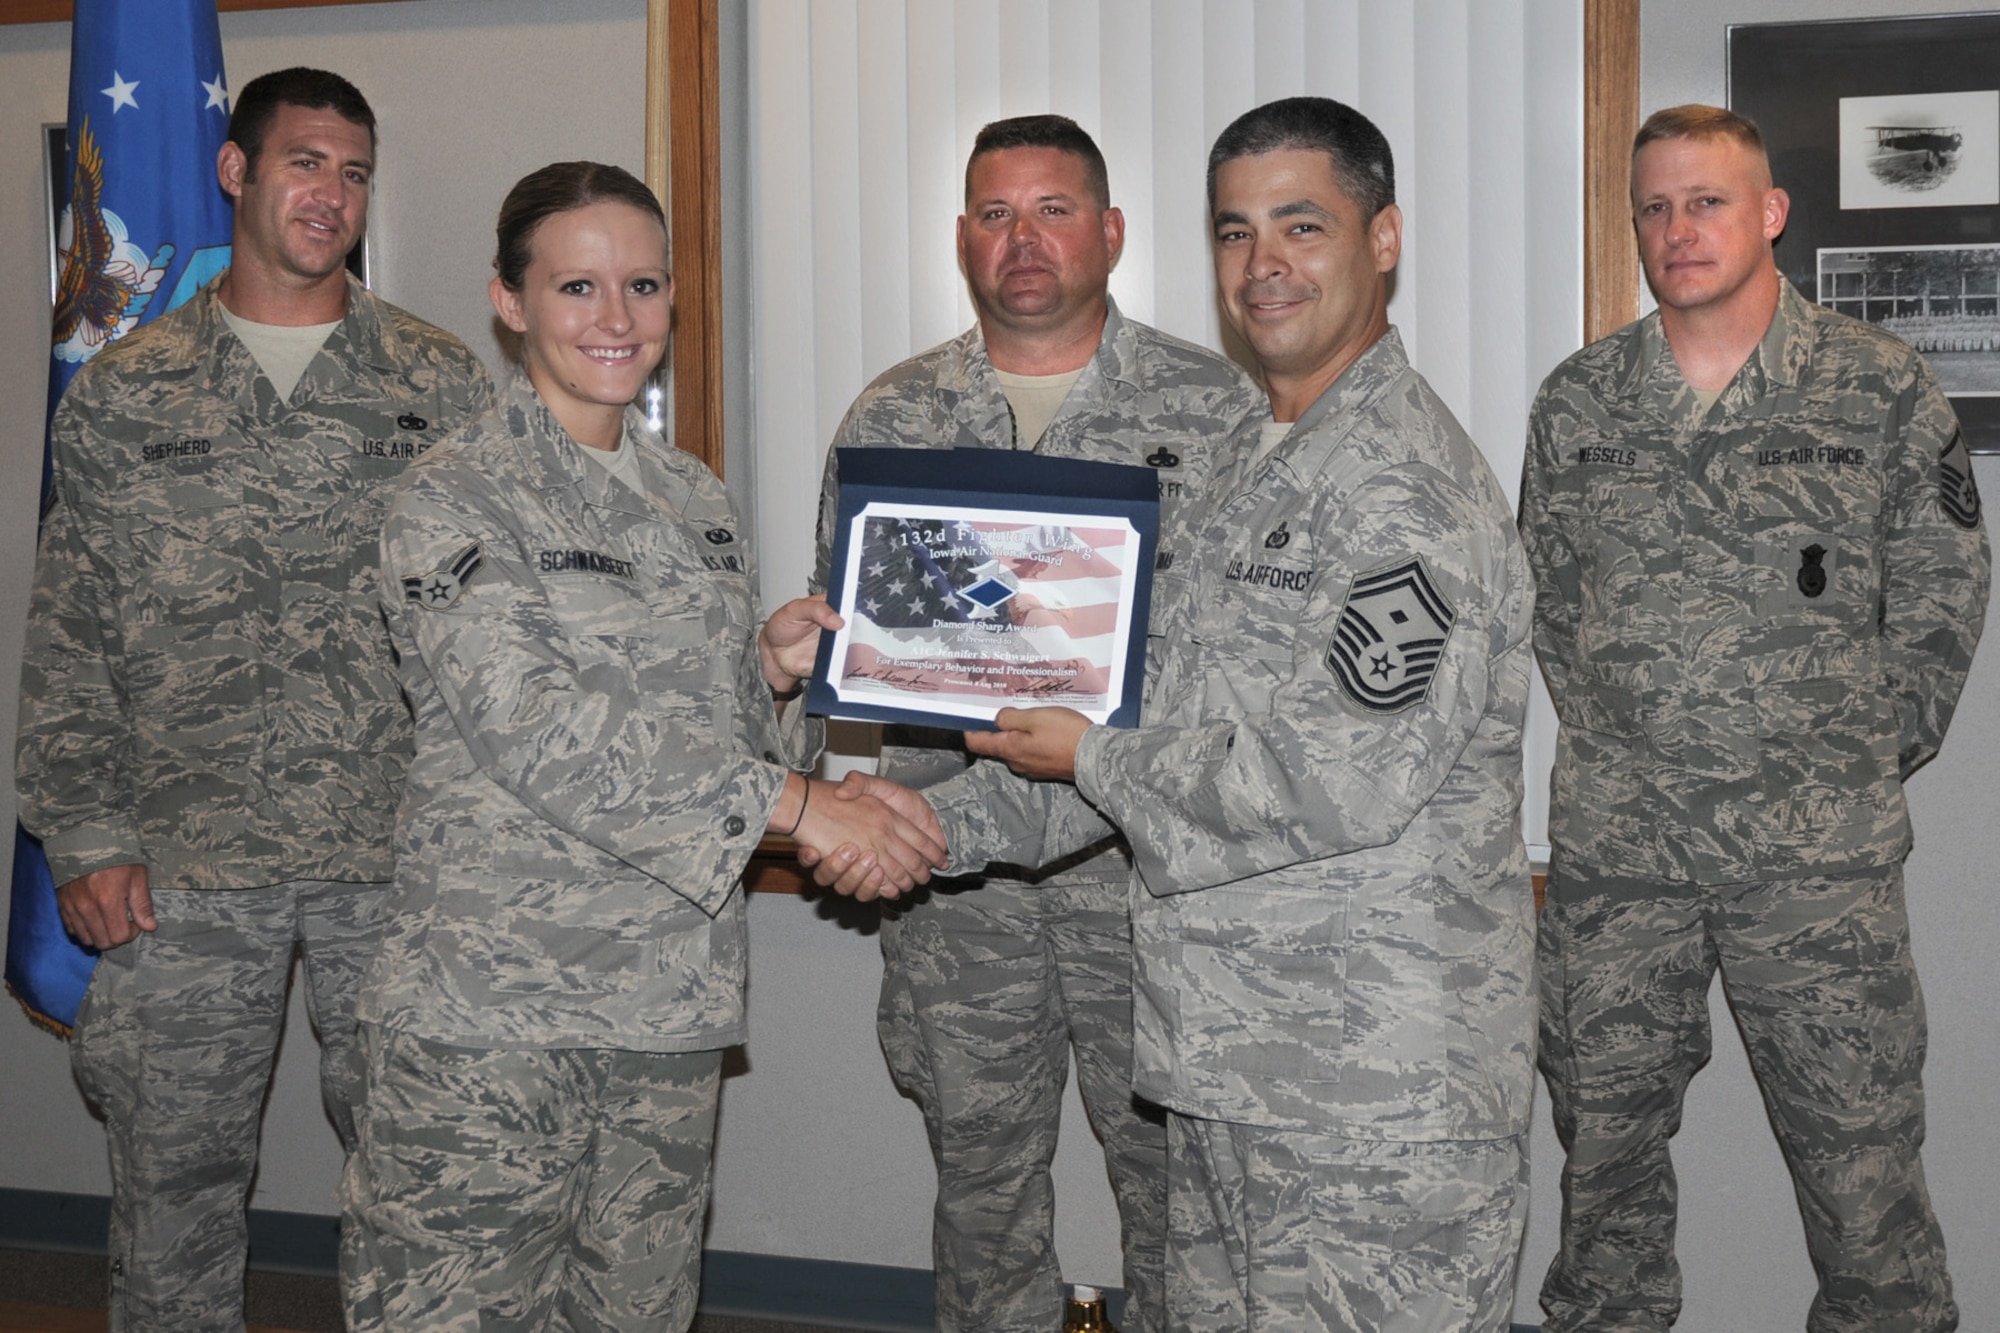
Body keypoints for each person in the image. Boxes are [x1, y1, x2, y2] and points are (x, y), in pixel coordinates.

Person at [824, 95, 1537, 1333]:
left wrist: (1087, 757)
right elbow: (1147, 707)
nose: (1264, 265)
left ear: (1382, 240)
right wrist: (900, 813)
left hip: (1361, 1083)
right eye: (1235, 232)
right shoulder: (1272, 456)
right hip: (1235, 1056)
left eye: (1300, 226)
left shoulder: (1400, 489)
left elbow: (1324, 780)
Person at [338, 160, 944, 1333]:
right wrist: (805, 805)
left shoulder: (694, 500)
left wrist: (762, 672)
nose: (617, 320)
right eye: (577, 286)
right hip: (492, 1016)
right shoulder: (455, 496)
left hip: (665, 1004)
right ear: (508, 302)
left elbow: (695, 731)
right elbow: (534, 726)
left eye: (643, 285)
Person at [14, 67, 494, 1331]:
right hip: (180, 863)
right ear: (235, 171)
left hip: (394, 858)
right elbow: (69, 634)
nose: (329, 193)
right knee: (172, 1194)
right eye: (303, 162)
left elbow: (498, 631)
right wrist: (88, 834)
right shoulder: (126, 391)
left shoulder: (441, 384)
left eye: (352, 171)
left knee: (422, 1183)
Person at [1519, 105, 1988, 1333]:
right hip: (1622, 867)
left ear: (1768, 213)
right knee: (1603, 1180)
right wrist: (1645, 739)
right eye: (1654, 207)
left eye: (1707, 201)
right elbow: (1553, 608)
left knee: (1863, 1186)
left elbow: (1944, 587)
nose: (1678, 230)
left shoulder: (1877, 387)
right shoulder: (1577, 402)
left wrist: (1845, 753)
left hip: (1814, 871)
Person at [810, 113, 1260, 1333]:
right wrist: (829, 793)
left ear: (1108, 232)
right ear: (963, 238)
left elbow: (1240, 661)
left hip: (1144, 874)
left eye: (1052, 210)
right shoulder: (889, 417)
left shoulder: (1216, 410)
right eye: (996, 214)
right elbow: (851, 672)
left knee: (1173, 1191)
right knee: (982, 1186)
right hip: (956, 880)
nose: (1024, 240)